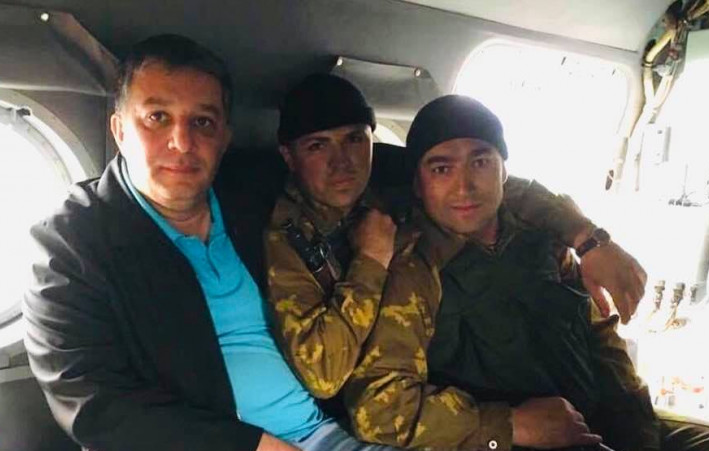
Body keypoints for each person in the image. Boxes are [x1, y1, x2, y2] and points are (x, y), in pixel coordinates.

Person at [22, 34, 408, 451]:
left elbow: (369, 163)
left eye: (202, 122)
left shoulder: (251, 197)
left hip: (325, 434)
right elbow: (92, 405)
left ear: (224, 137)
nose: (182, 143)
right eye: (157, 117)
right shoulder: (73, 244)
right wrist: (252, 448)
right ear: (120, 130)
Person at [342, 95, 709, 451]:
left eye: (481, 162)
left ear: (505, 172)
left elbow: (600, 339)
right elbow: (378, 407)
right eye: (441, 169)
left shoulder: (542, 236)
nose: (464, 187)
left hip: (603, 423)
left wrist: (638, 435)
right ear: (418, 185)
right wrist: (508, 426)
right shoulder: (413, 269)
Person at [264, 74, 647, 407]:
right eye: (317, 146)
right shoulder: (289, 236)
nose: (342, 162)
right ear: (288, 156)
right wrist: (371, 261)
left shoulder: (389, 171)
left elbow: (504, 187)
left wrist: (588, 240)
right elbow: (325, 376)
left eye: (353, 139)